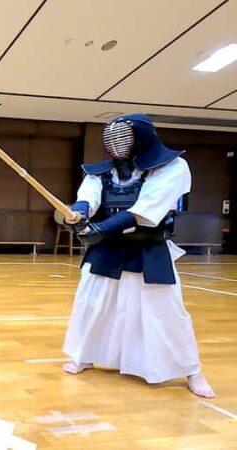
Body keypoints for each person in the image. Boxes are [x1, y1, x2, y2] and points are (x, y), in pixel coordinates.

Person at [62, 113, 214, 398]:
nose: (117, 145)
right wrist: (80, 212)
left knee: (166, 313)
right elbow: (90, 194)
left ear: (141, 139)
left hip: (148, 247)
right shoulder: (101, 172)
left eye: (124, 138)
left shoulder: (173, 167)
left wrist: (102, 228)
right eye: (113, 139)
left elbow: (146, 210)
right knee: (92, 304)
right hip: (107, 248)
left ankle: (191, 369)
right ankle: (85, 354)